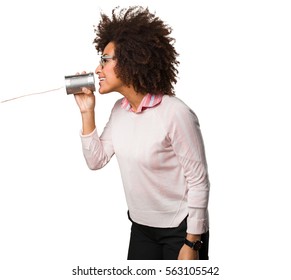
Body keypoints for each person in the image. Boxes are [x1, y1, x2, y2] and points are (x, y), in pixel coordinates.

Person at [74, 6, 210, 260]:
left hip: (181, 231)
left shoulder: (175, 113)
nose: (97, 69)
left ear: (130, 60)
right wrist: (87, 112)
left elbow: (198, 181)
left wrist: (193, 243)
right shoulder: (119, 111)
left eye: (105, 59)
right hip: (141, 229)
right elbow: (96, 160)